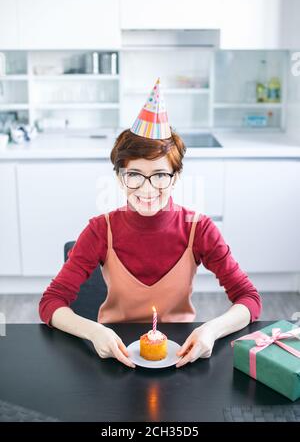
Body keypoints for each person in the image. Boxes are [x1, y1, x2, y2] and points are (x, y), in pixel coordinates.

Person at [39, 78, 262, 369]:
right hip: (114, 355)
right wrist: (94, 331)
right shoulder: (99, 230)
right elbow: (51, 303)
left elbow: (249, 298)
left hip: (182, 356)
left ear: (176, 177)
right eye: (135, 175)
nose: (146, 189)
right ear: (121, 177)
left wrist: (211, 330)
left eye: (159, 174)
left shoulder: (200, 228)